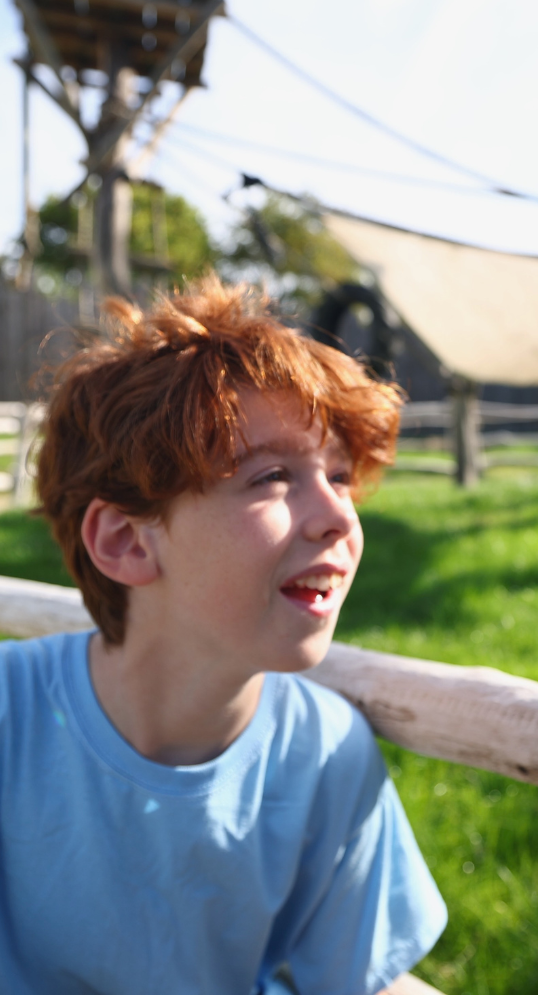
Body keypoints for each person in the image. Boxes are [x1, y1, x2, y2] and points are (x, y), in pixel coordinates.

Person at [1, 276, 447, 994]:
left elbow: (366, 983)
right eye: (273, 476)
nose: (339, 515)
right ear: (126, 541)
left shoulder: (326, 755)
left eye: (338, 475)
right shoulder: (9, 717)